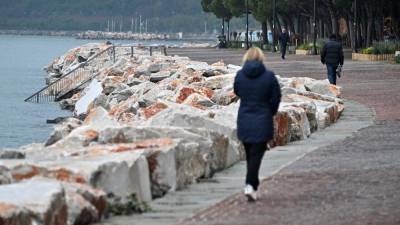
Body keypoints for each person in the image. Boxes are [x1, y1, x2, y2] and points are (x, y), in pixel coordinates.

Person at [234, 47, 282, 202]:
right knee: (256, 155)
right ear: (261, 58)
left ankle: (252, 184)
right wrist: (270, 111)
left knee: (250, 155)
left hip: (244, 119)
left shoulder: (240, 75)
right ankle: (250, 184)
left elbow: (237, 91)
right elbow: (276, 97)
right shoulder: (269, 76)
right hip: (262, 119)